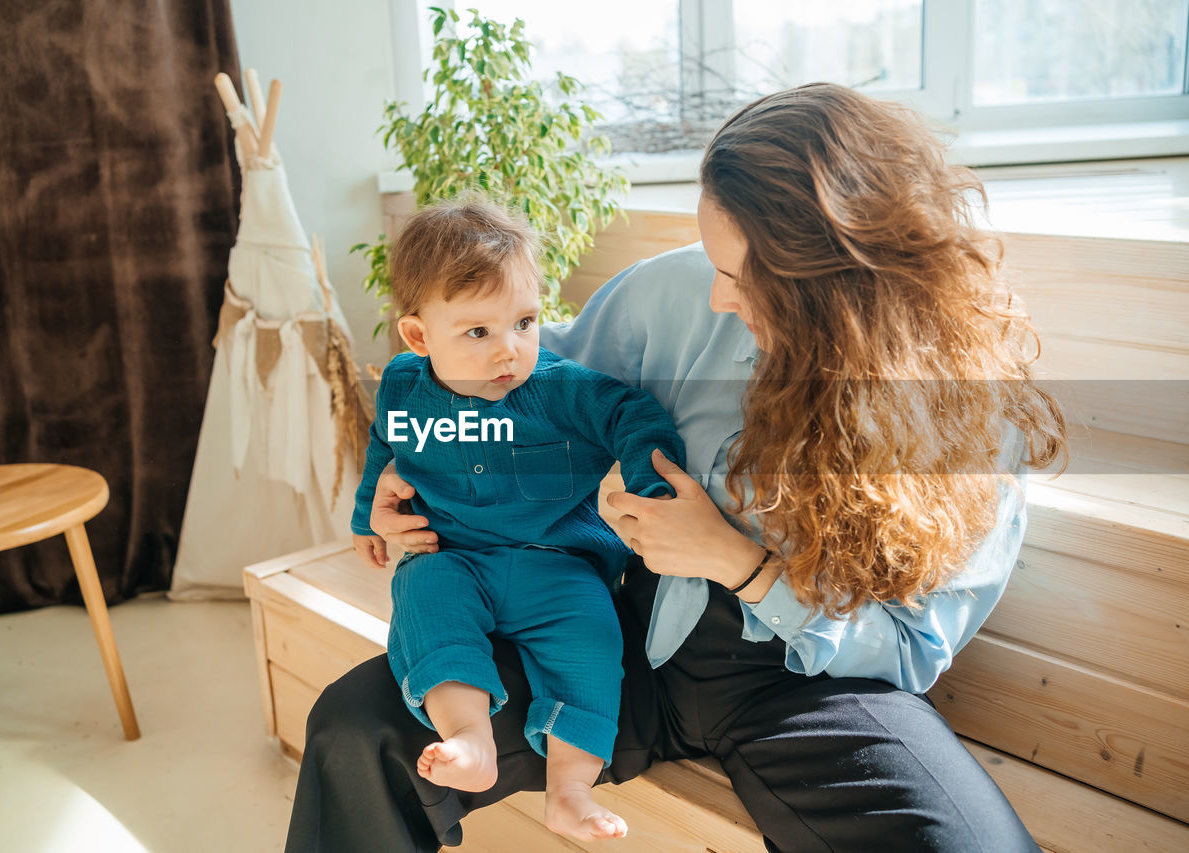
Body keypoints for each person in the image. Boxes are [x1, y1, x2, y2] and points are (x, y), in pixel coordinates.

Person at [285, 82, 1067, 852]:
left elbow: (907, 652)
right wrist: (407, 471)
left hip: (804, 687)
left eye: (739, 274)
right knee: (355, 729)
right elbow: (512, 366)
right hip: (620, 634)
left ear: (834, 280)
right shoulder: (678, 294)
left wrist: (741, 563)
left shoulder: (969, 422)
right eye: (713, 263)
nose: (716, 296)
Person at [347, 197, 687, 843]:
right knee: (422, 599)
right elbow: (384, 448)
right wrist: (368, 516)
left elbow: (634, 416)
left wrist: (650, 482)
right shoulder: (401, 385)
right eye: (478, 332)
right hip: (452, 555)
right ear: (420, 337)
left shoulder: (561, 388)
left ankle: (571, 789)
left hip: (556, 566)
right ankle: (470, 737)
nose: (509, 349)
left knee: (591, 642)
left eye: (525, 321)